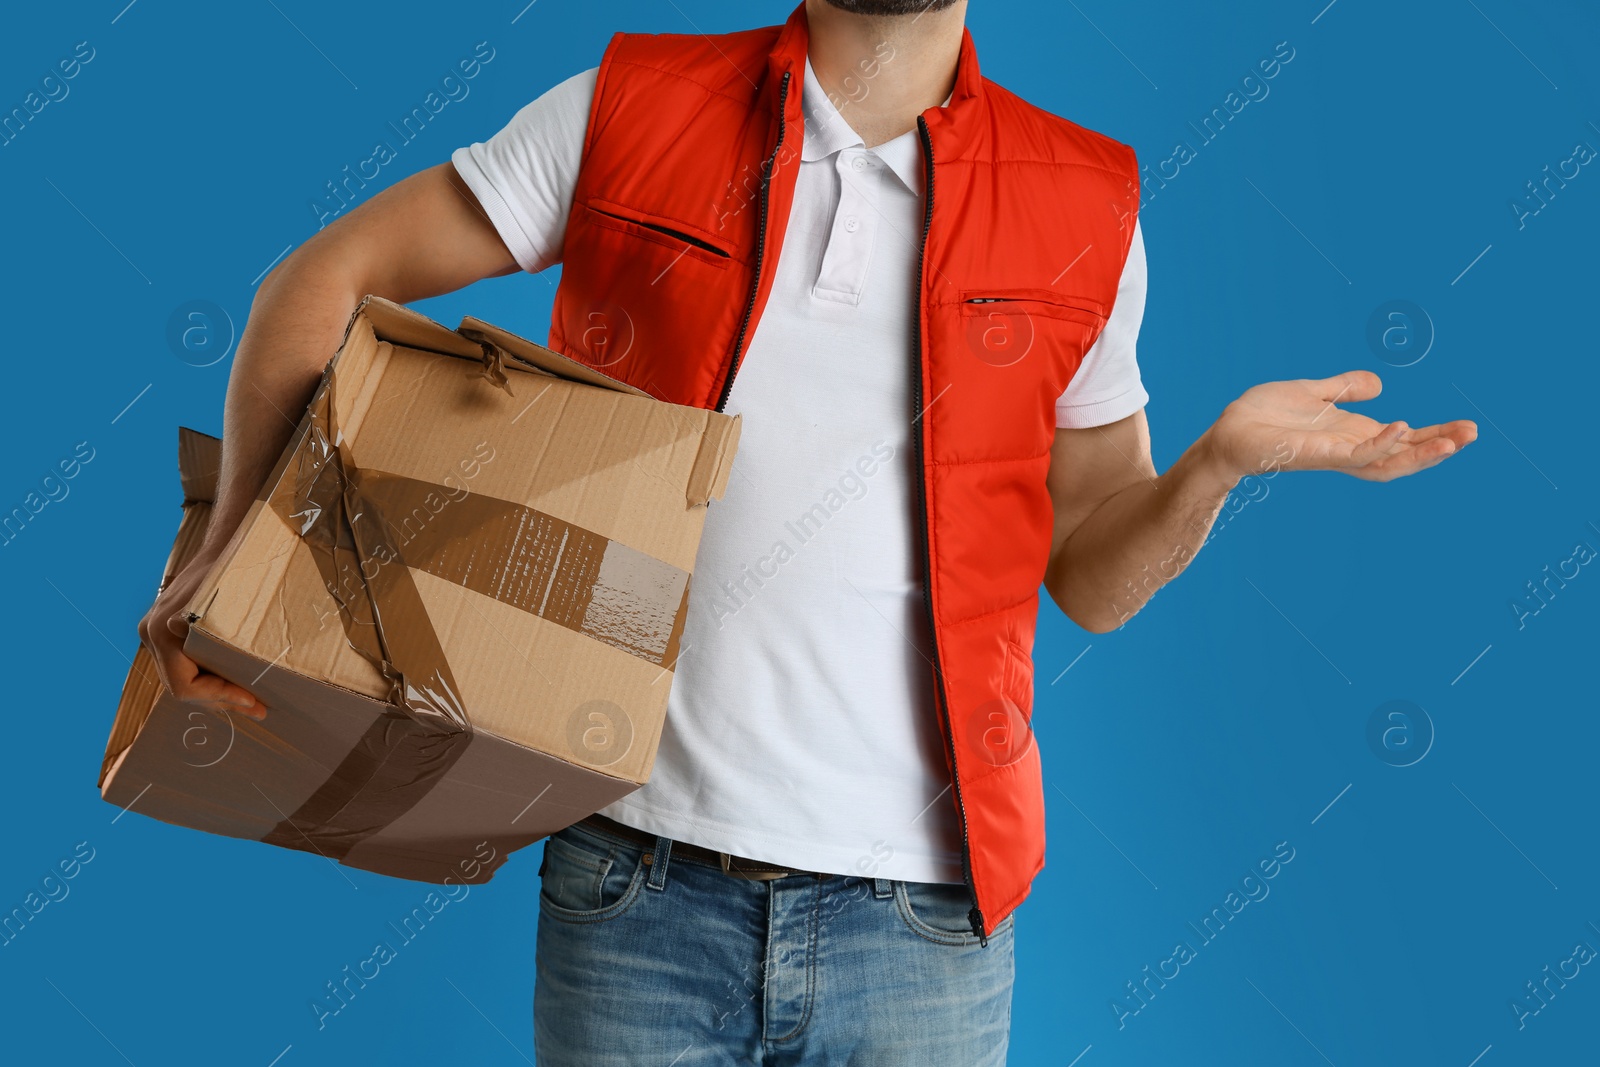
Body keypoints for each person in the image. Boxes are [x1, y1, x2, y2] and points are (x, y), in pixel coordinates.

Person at [137, 1, 1476, 1062]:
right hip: (632, 885)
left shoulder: (1088, 202)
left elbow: (1092, 582)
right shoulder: (629, 108)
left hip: (927, 929)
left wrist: (1217, 468)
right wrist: (231, 552)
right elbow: (322, 277)